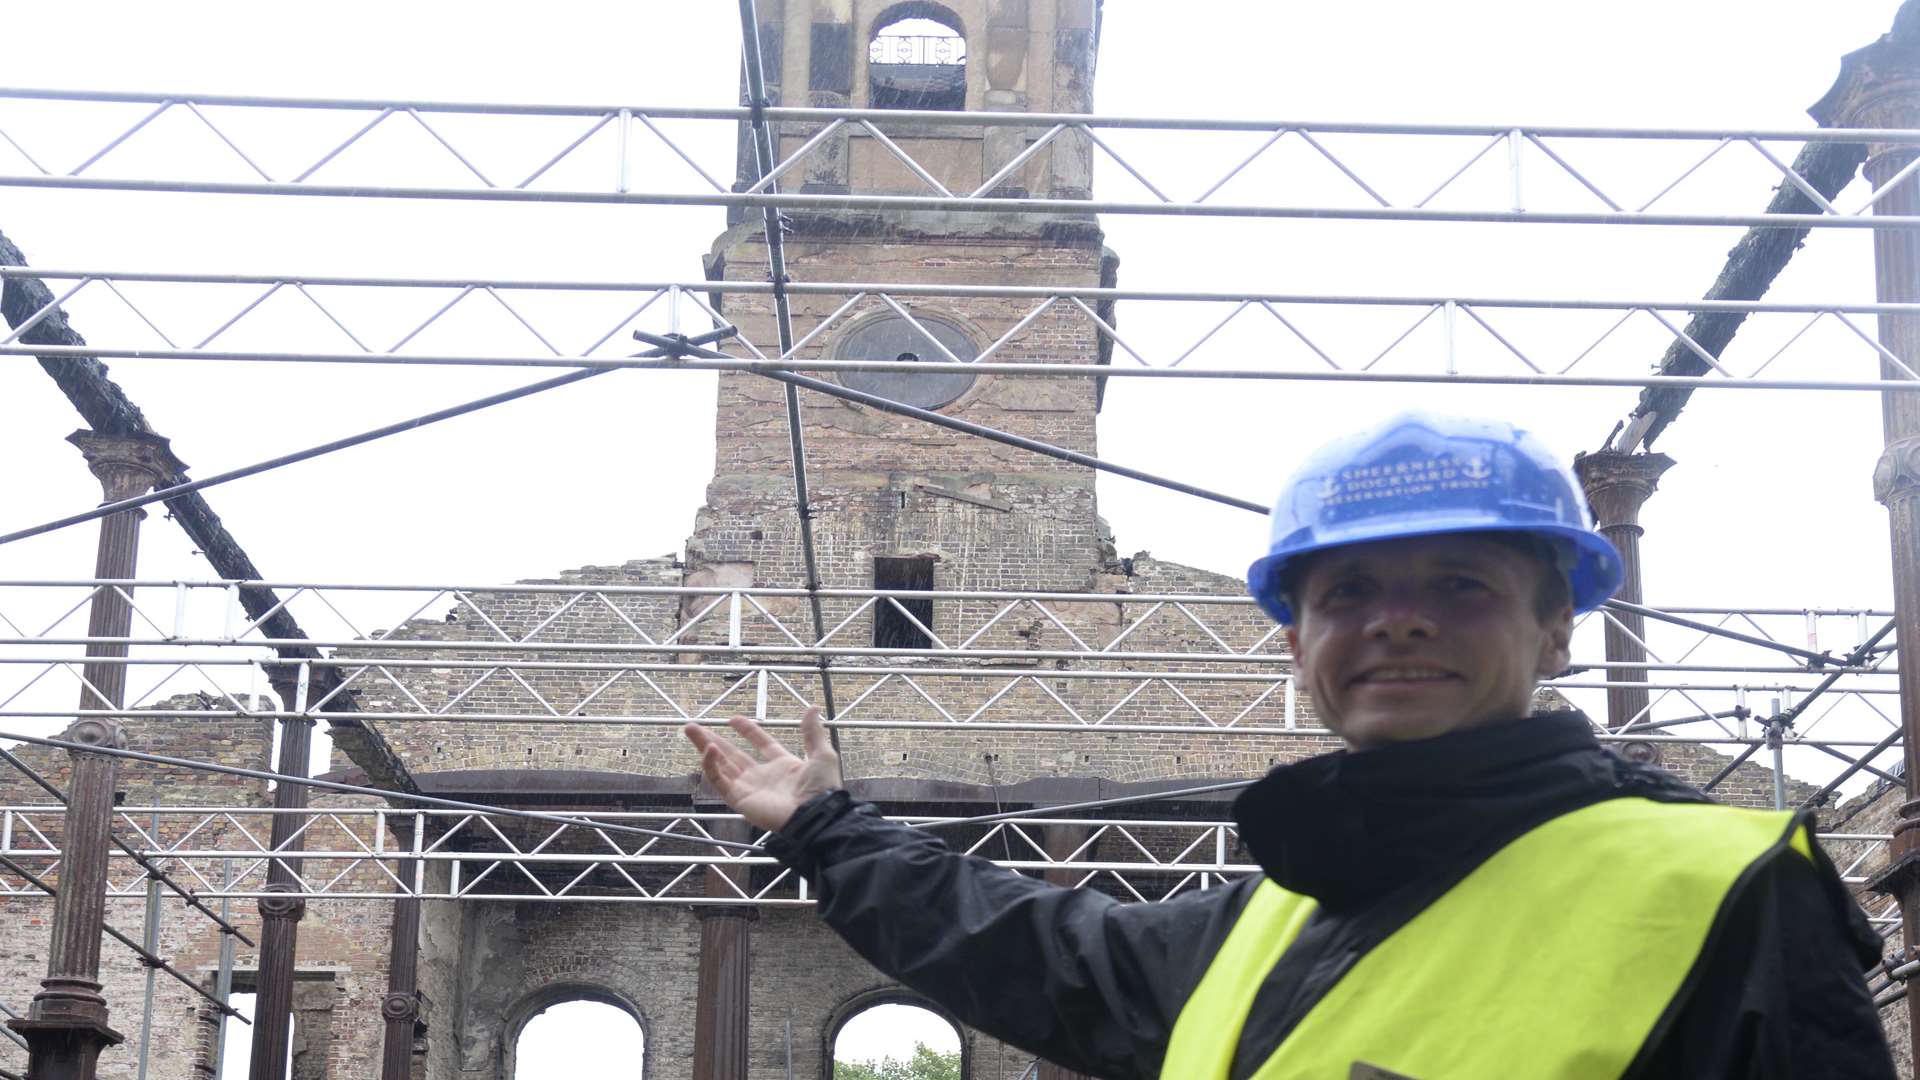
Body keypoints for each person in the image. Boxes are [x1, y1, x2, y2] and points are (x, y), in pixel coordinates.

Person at [683, 413, 1895, 1079]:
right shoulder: (1279, 917)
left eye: (1461, 585)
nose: (1398, 618)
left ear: (1558, 632)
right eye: (1349, 590)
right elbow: (1038, 949)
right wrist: (826, 829)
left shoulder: (1723, 890)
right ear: (1296, 644)